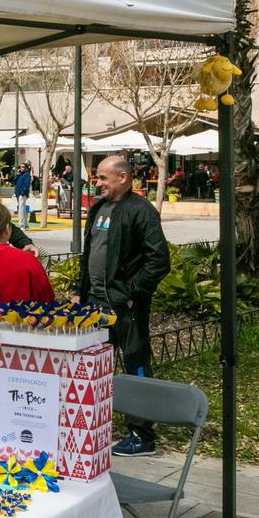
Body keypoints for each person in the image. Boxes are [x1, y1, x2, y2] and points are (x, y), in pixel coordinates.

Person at [78, 155, 172, 456]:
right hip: (95, 306)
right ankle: (95, 424)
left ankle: (141, 434)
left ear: (123, 177)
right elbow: (89, 254)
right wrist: (82, 293)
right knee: (94, 365)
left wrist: (131, 293)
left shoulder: (140, 211)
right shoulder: (97, 210)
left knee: (135, 365)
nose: (98, 183)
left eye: (104, 178)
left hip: (126, 308)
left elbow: (159, 260)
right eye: (97, 178)